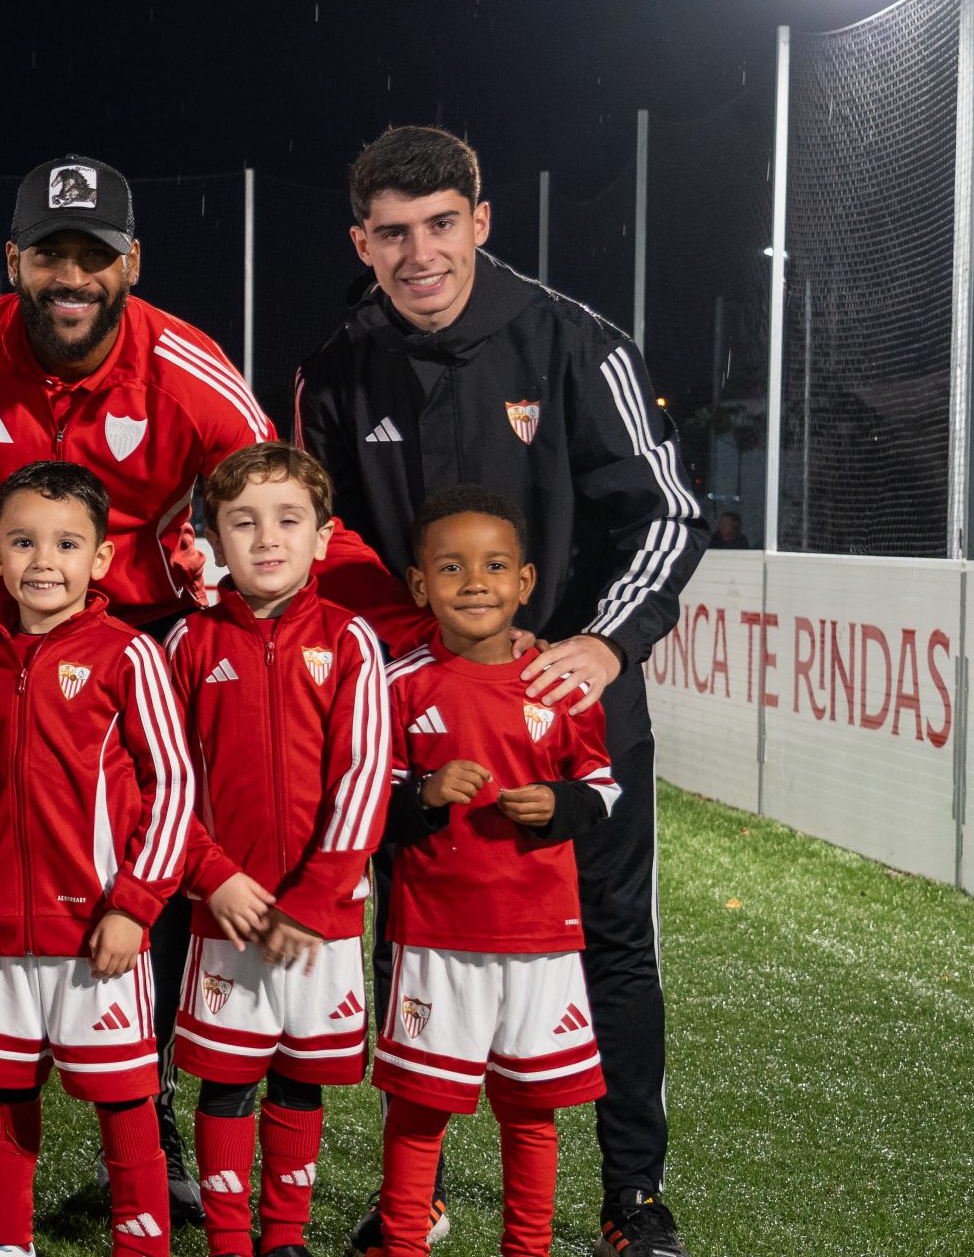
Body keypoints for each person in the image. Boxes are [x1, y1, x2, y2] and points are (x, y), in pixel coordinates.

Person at [0, 153, 276, 1226]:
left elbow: (269, 493)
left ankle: (149, 1131)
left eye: (95, 257)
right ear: (14, 259)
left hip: (141, 642)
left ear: (130, 265)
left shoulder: (189, 370)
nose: (71, 278)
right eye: (49, 255)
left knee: (134, 881)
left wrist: (232, 592)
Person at [294, 126, 705, 1257]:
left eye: (439, 225)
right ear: (361, 242)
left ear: (479, 221)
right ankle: (407, 1200)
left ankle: (630, 1199)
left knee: (610, 936)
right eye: (392, 233)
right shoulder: (335, 366)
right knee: (410, 938)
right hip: (420, 707)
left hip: (569, 695)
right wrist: (405, 656)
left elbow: (667, 512)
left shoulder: (577, 343)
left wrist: (603, 646)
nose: (418, 253)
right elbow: (319, 533)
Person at [0, 461, 197, 1257]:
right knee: (1, 1092)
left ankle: (143, 1243)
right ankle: (6, 1242)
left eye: (67, 543)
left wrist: (135, 903)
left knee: (123, 1096)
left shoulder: (127, 655)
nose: (44, 560)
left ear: (101, 559)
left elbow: (173, 786)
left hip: (95, 930)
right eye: (24, 542)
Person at [373, 485, 623, 1257]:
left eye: (493, 566)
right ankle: (403, 1242)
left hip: (541, 936)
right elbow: (369, 795)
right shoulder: (399, 683)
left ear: (526, 582)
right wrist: (424, 794)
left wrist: (558, 802)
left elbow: (605, 786)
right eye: (450, 567)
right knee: (419, 1108)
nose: (473, 581)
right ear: (420, 586)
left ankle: (528, 1247)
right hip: (437, 936)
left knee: (531, 1108)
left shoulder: (559, 682)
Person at [160, 442, 390, 1257]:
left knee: (299, 1080)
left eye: (288, 520)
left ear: (323, 537)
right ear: (213, 540)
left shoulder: (352, 641)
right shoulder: (186, 645)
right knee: (225, 1083)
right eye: (243, 523)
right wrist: (213, 877)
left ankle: (284, 1238)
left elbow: (364, 777)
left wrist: (319, 898)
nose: (266, 539)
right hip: (226, 914)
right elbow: (163, 782)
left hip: (317, 919)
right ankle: (229, 1240)